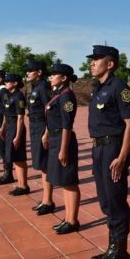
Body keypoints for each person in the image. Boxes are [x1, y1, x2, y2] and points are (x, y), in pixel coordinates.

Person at [87, 45, 130, 259]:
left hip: (113, 149)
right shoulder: (97, 88)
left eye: (97, 59)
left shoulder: (119, 87)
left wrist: (122, 156)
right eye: (92, 59)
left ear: (110, 64)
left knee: (116, 201)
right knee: (106, 200)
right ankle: (112, 248)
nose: (92, 63)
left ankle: (120, 251)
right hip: (99, 149)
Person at [44, 63, 80, 234]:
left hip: (63, 140)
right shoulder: (58, 95)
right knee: (63, 181)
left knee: (69, 181)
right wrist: (47, 135)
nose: (50, 77)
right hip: (55, 138)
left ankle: (72, 221)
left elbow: (67, 124)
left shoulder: (66, 97)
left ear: (64, 78)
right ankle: (67, 218)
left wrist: (63, 149)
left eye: (54, 75)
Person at [26, 60, 54, 214]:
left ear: (39, 72)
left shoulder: (43, 87)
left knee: (44, 165)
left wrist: (46, 132)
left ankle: (48, 201)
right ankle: (45, 199)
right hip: (35, 127)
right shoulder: (35, 87)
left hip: (42, 127)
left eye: (31, 70)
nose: (28, 73)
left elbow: (49, 110)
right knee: (41, 165)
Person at [2, 73, 29, 196]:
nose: (6, 83)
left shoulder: (19, 96)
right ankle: (20, 184)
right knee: (15, 158)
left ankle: (23, 185)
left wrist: (18, 136)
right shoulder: (9, 95)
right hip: (9, 127)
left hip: (16, 128)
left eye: (8, 81)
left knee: (19, 157)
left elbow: (20, 118)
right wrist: (3, 127)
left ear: (15, 83)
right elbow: (6, 114)